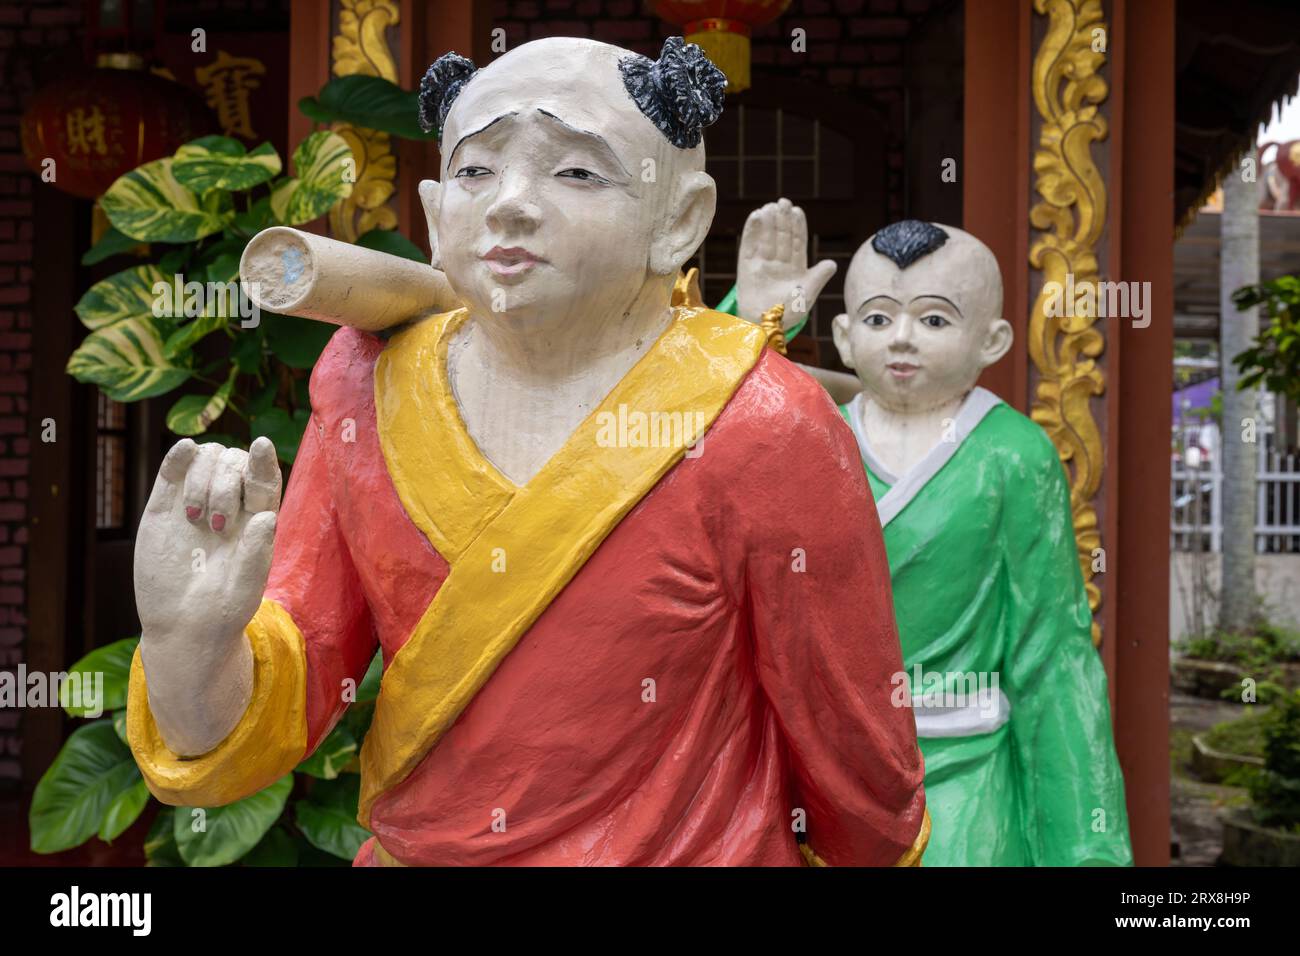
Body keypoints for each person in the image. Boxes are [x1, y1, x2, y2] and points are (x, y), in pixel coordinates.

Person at [126, 36, 928, 867]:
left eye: (576, 172)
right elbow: (300, 677)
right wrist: (192, 647)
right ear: (436, 217)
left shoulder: (765, 422)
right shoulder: (367, 382)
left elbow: (852, 745)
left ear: (679, 220)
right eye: (476, 172)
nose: (509, 204)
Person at [829, 220, 1132, 866]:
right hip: (830, 774)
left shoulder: (1013, 455)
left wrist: (1087, 847)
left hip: (966, 775)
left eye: (935, 321)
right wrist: (759, 319)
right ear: (843, 336)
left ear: (991, 340)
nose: (903, 338)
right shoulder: (810, 441)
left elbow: (1052, 659)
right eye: (879, 319)